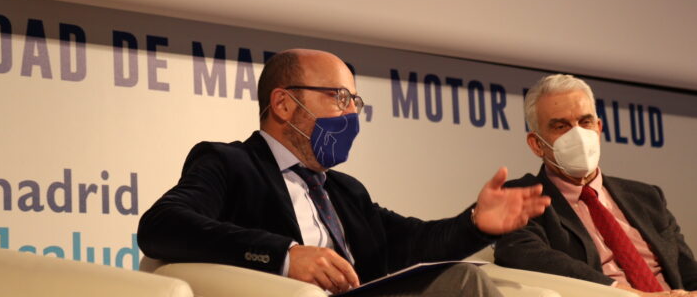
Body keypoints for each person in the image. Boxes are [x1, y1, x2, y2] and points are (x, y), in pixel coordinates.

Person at [138, 49, 550, 296]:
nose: (352, 113)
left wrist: (476, 223)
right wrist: (285, 256)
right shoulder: (230, 163)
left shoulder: (344, 191)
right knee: (460, 284)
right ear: (283, 105)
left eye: (355, 101)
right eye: (339, 98)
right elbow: (162, 226)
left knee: (458, 278)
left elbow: (411, 242)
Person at [494, 74, 697, 296]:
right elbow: (522, 254)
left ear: (598, 128)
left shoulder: (647, 197)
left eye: (585, 122)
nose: (578, 135)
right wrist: (626, 294)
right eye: (561, 126)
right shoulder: (521, 197)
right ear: (537, 144)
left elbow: (689, 272)